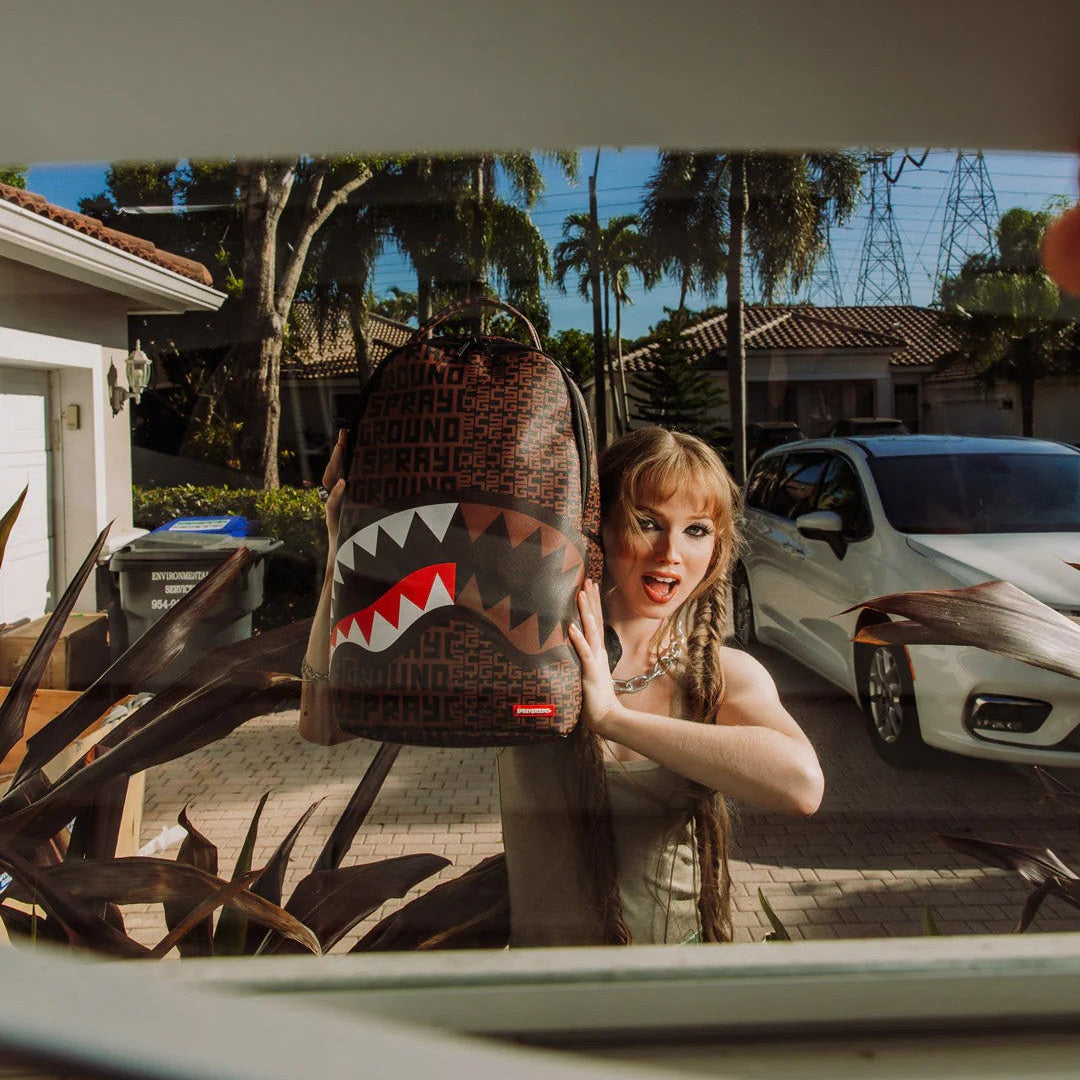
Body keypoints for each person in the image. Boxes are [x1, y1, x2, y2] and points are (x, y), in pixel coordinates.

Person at [300, 425, 824, 946]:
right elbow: (323, 725)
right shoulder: (519, 655)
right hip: (546, 980)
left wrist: (614, 719)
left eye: (697, 530)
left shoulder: (720, 673)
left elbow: (801, 786)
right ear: (597, 526)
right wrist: (339, 553)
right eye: (647, 523)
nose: (671, 552)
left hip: (675, 978)